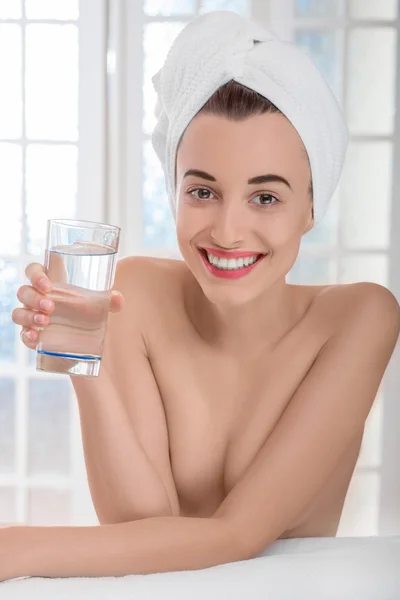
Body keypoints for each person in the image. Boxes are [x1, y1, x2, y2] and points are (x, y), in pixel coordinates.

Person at [7, 10, 400, 582]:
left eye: (265, 198)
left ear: (312, 207)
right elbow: (139, 528)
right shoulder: (132, 292)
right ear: (174, 192)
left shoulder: (360, 317)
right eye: (203, 191)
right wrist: (80, 364)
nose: (227, 232)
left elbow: (236, 534)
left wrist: (16, 547)